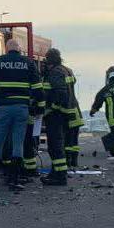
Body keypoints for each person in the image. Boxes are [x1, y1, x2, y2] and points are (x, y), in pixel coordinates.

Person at [0, 38, 41, 190]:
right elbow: (37, 87)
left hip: (2, 107)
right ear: (19, 49)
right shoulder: (28, 62)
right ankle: (14, 180)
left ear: (7, 48)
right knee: (18, 143)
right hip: (21, 108)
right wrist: (39, 107)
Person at [41, 48, 71, 185]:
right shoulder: (62, 70)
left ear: (49, 60)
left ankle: (59, 177)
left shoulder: (55, 72)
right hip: (60, 114)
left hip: (56, 115)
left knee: (55, 146)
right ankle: (56, 173)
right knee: (55, 146)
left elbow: (60, 94)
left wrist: (51, 108)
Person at [62, 62, 84, 171]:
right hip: (76, 113)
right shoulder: (70, 76)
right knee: (74, 140)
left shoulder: (59, 76)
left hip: (69, 114)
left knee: (68, 140)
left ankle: (68, 161)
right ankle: (74, 161)